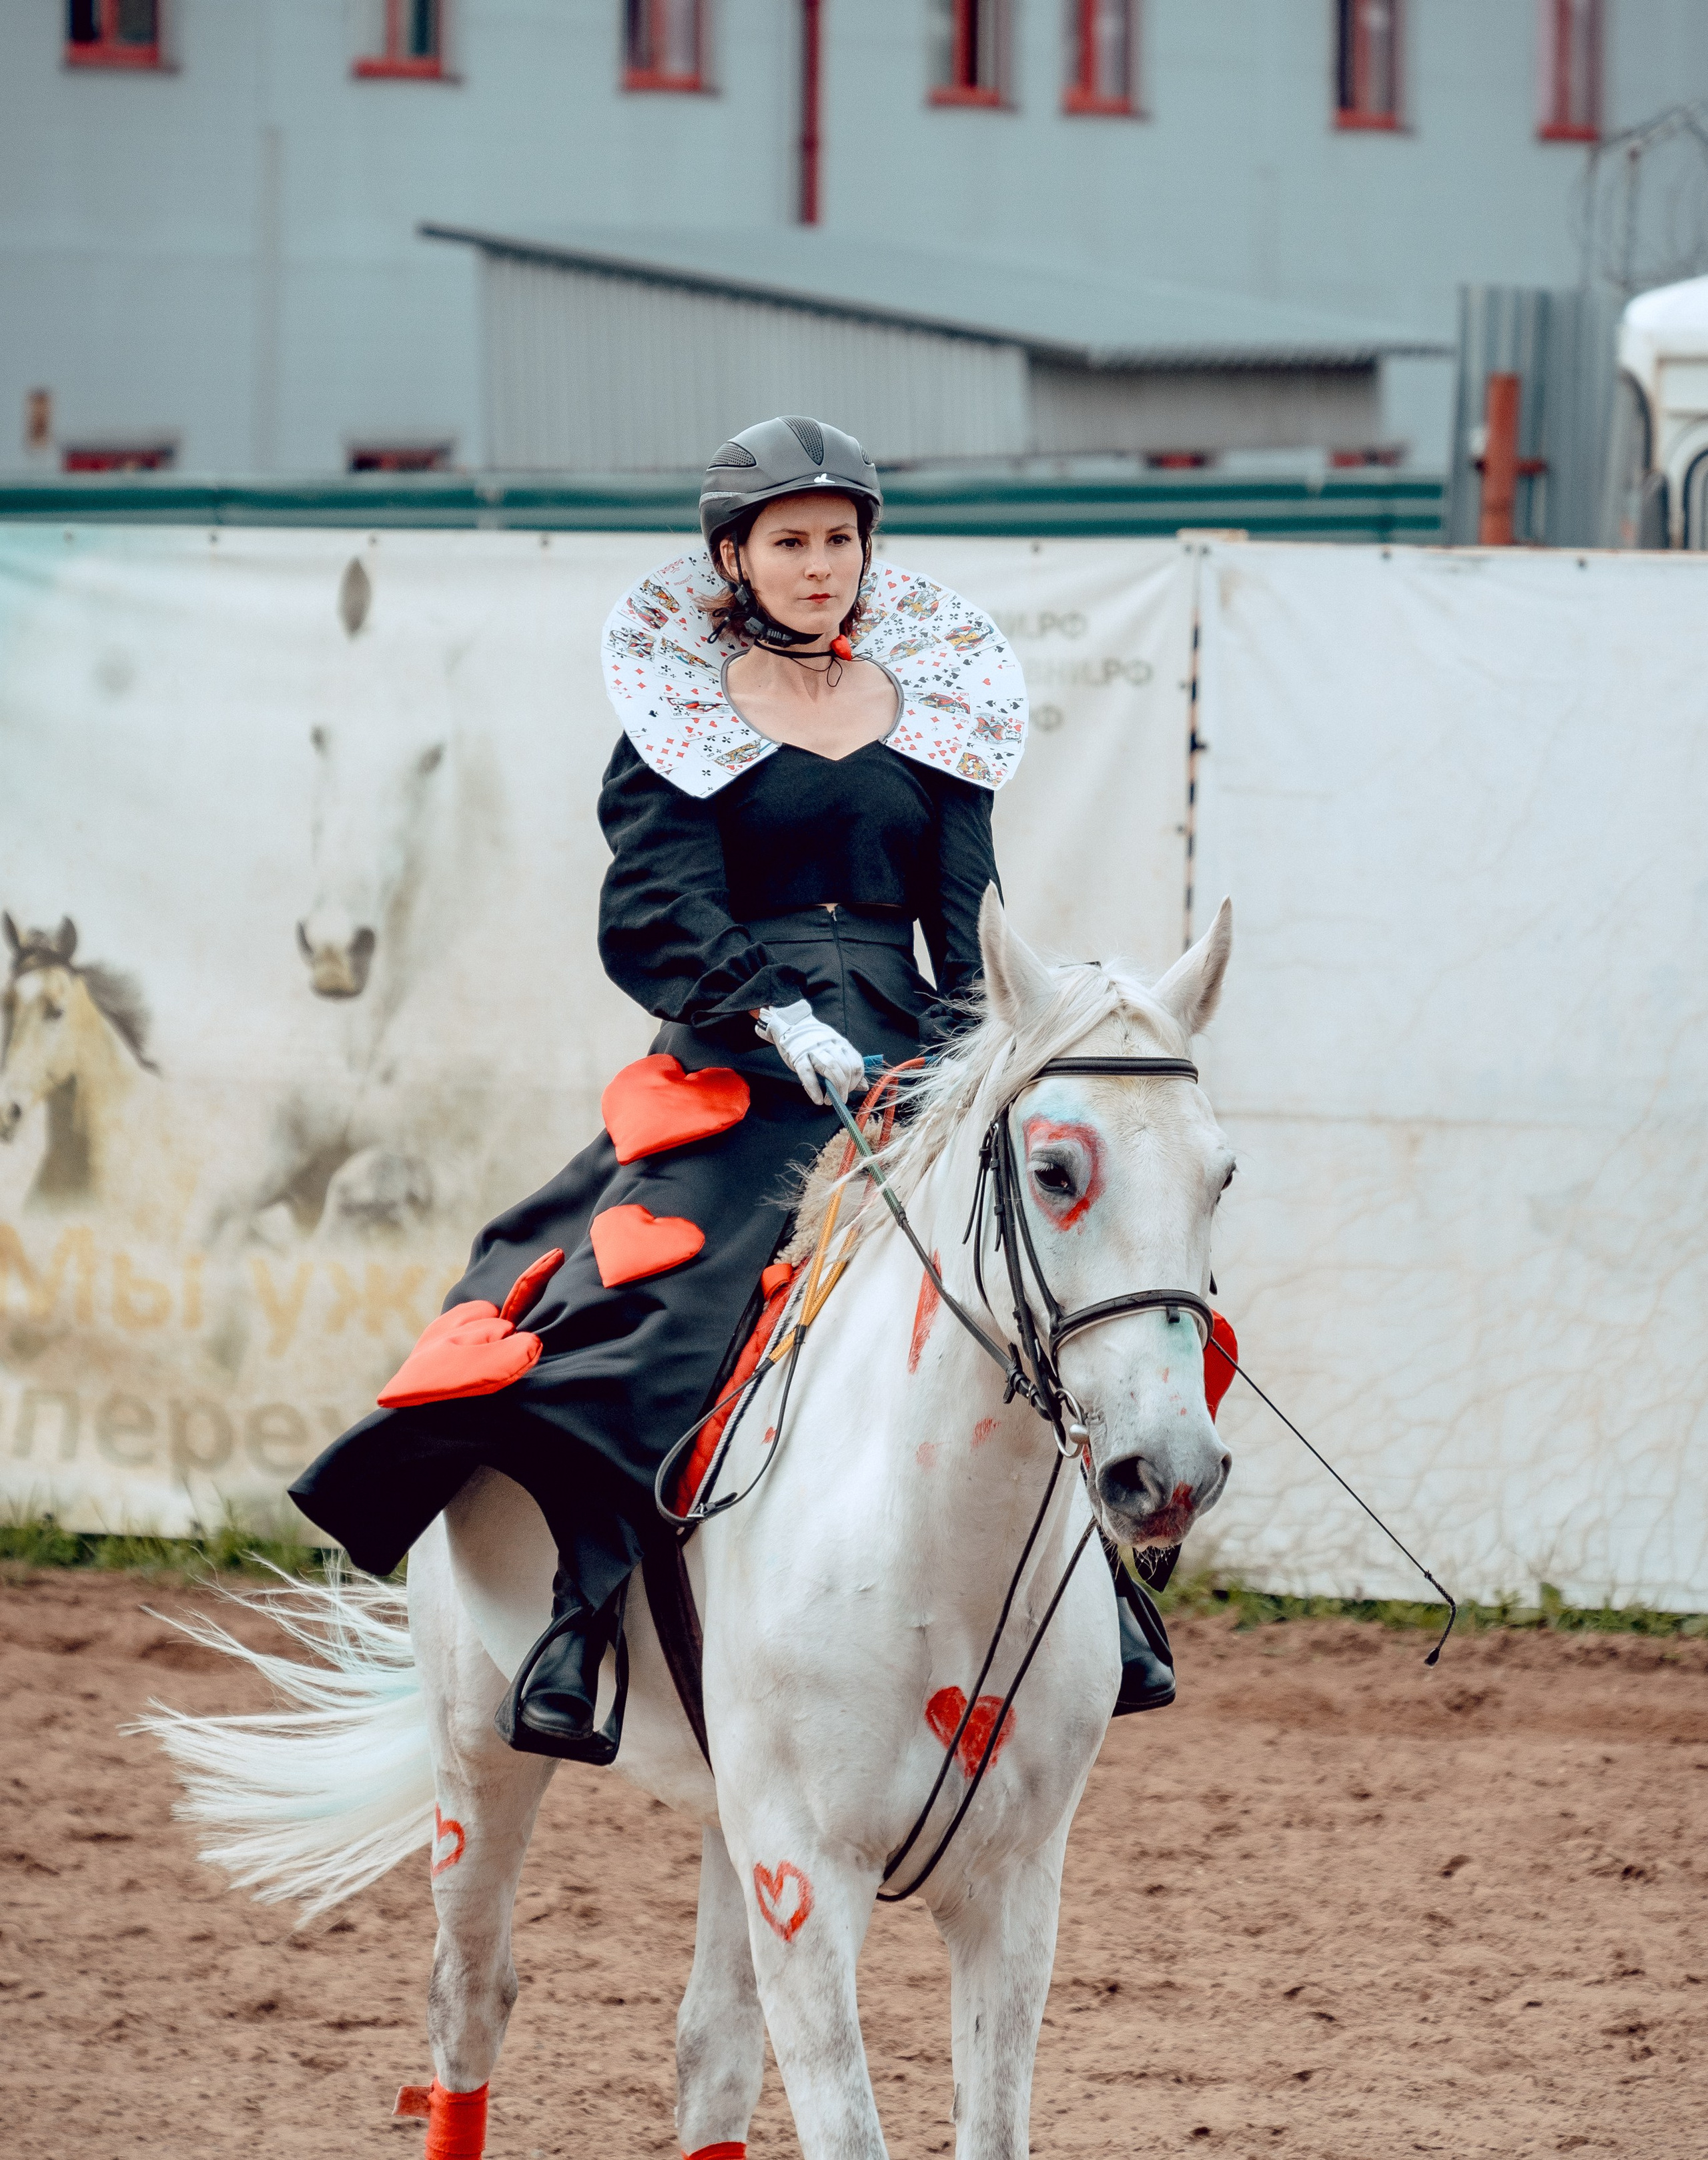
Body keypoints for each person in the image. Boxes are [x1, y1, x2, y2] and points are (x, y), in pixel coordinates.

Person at [289, 414, 1174, 1756]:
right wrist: (768, 1006)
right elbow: (652, 902)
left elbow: (964, 917)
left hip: (907, 1065)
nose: (819, 565)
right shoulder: (676, 711)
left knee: (1033, 1287)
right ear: (734, 556)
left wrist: (985, 1039)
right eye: (789, 542)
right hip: (736, 1068)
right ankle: (582, 1620)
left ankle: (1098, 1591)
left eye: (838, 540)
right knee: (648, 1320)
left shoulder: (934, 710)